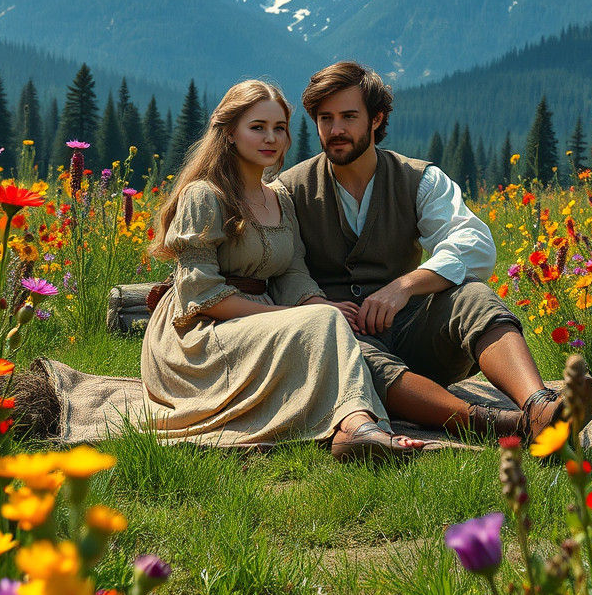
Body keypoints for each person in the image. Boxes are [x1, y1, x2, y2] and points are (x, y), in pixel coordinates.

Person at [279, 62, 592, 441]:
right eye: (325, 118)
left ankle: (540, 406)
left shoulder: (418, 179)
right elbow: (284, 267)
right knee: (352, 355)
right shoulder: (289, 189)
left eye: (349, 116)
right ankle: (502, 424)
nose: (336, 130)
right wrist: (318, 304)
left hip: (415, 332)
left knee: (474, 295)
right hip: (343, 341)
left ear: (376, 118)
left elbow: (475, 244)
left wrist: (405, 286)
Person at [141, 79, 423, 461]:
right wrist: (295, 314)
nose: (271, 138)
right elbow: (200, 295)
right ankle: (358, 427)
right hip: (197, 336)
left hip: (256, 320)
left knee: (325, 317)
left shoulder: (280, 198)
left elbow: (292, 271)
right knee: (319, 321)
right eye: (257, 127)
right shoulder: (205, 195)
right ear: (228, 133)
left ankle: (355, 427)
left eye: (280, 128)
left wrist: (314, 302)